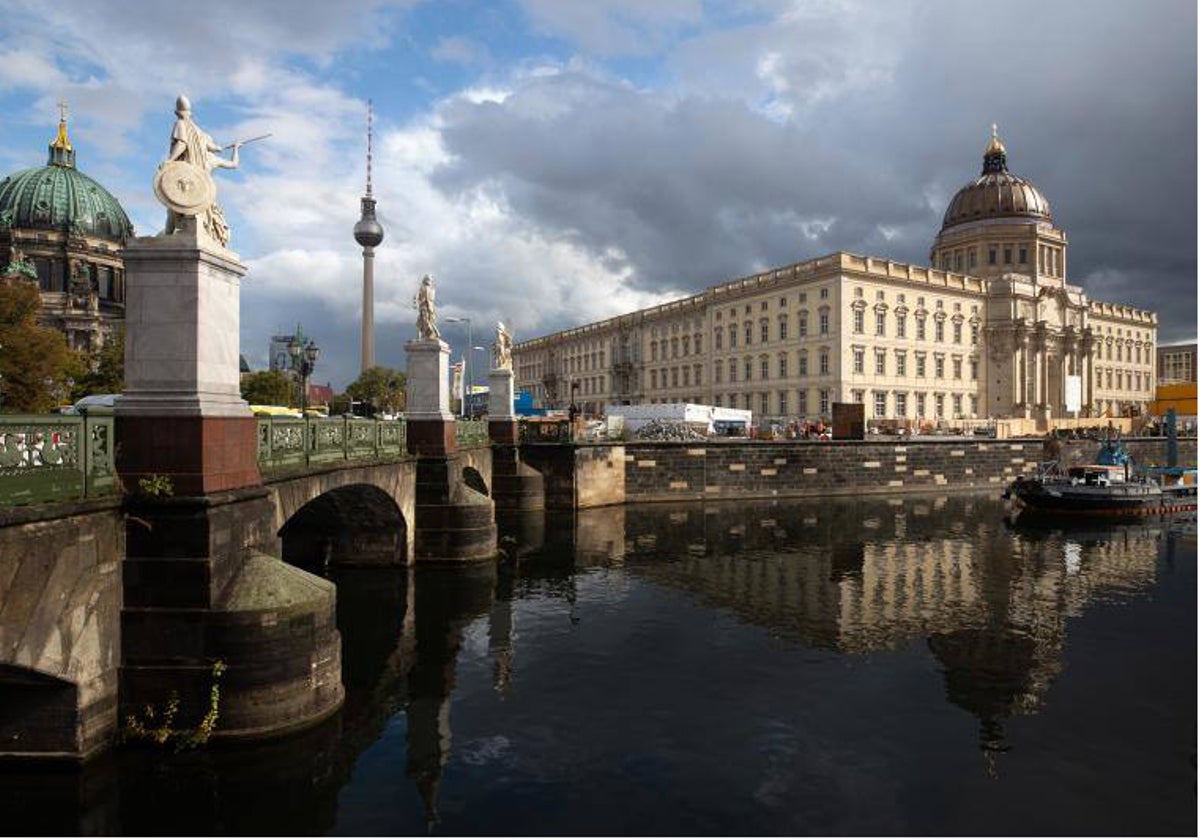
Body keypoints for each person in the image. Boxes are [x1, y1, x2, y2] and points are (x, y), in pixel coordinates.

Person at [164, 94, 240, 245]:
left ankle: (168, 235)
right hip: (203, 190)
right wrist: (236, 148)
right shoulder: (210, 154)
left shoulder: (181, 124)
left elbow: (182, 144)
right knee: (182, 211)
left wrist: (170, 160)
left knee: (173, 209)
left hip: (188, 181)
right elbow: (233, 163)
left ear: (178, 112)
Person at [415, 275, 440, 340]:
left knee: (425, 322)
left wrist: (417, 303)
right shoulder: (429, 289)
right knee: (422, 322)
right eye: (429, 280)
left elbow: (422, 298)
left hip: (427, 308)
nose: (429, 281)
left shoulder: (427, 289)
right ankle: (433, 334)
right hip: (427, 308)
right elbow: (418, 297)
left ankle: (433, 334)